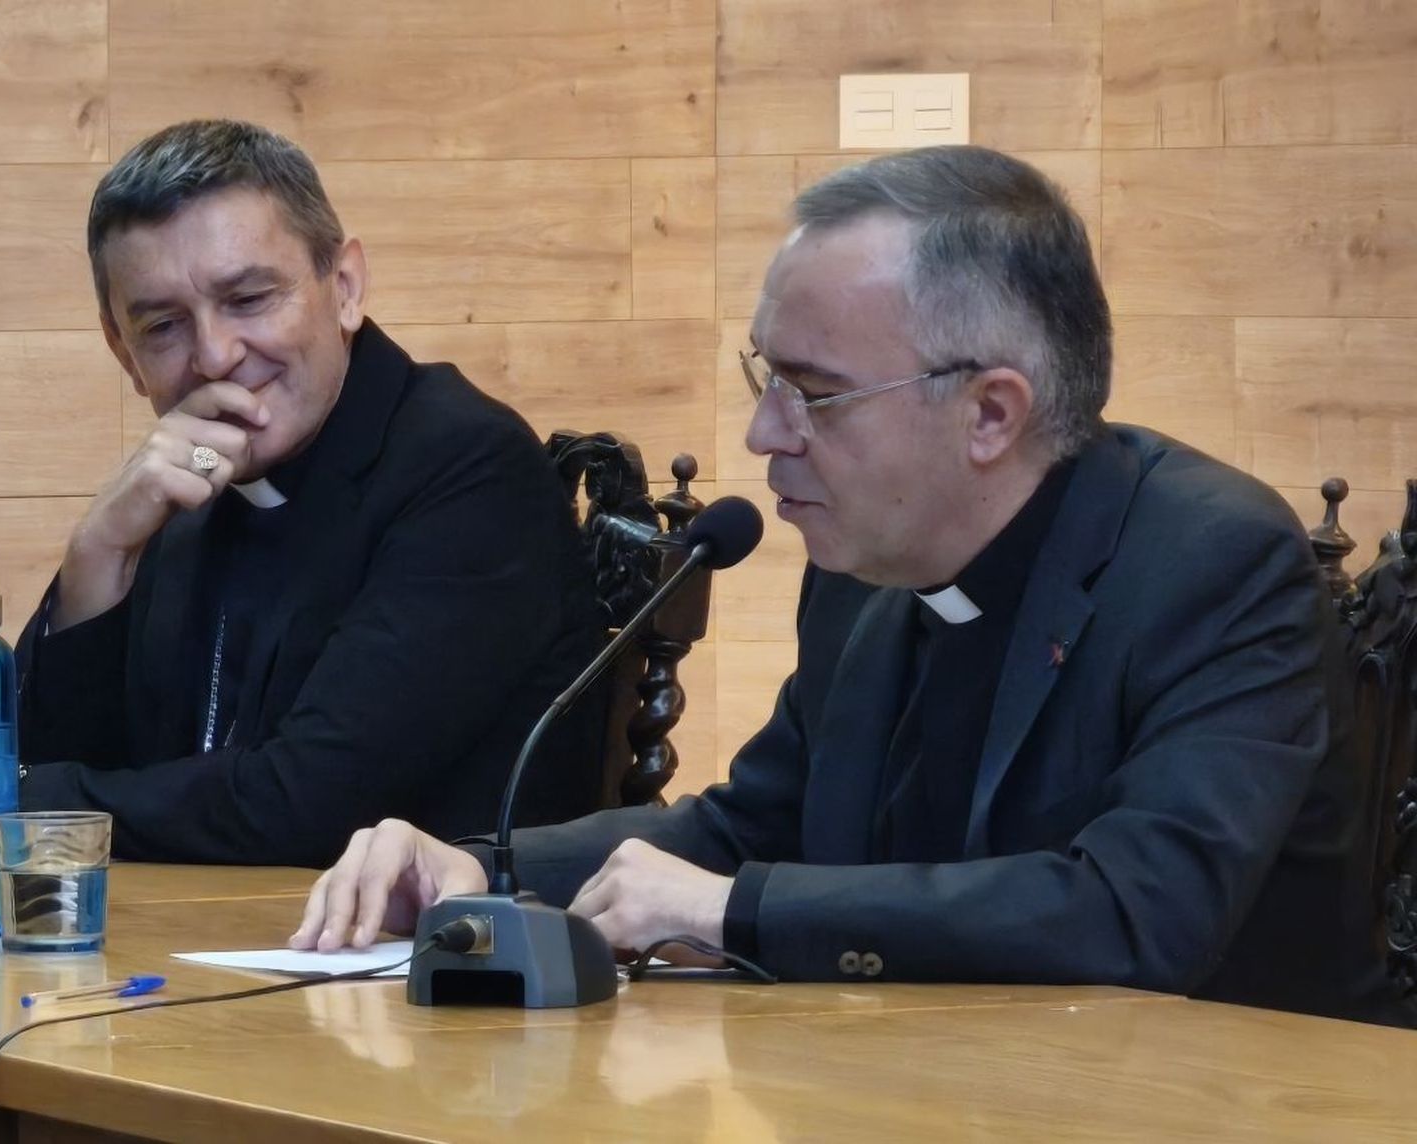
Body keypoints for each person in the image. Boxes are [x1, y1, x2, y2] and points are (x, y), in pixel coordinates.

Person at [288, 145, 1408, 1024]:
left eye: (812, 393)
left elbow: (1136, 915)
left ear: (989, 413)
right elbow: (747, 826)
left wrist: (736, 912)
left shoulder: (1214, 565)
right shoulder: (863, 571)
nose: (762, 433)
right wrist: (476, 866)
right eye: (766, 376)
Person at [0, 120, 607, 866]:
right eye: (163, 326)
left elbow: (307, 800)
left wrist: (19, 804)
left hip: (436, 979)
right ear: (122, 352)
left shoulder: (467, 469)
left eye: (248, 299)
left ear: (344, 286)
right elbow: (57, 768)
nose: (216, 355)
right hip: (204, 943)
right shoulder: (193, 477)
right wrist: (99, 556)